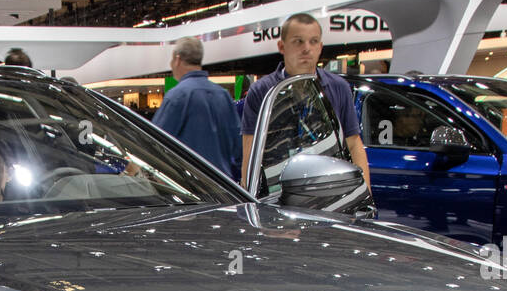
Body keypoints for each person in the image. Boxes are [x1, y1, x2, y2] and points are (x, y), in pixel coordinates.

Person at [239, 12, 369, 191]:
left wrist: (365, 194)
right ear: (282, 46)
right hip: (278, 195)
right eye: (298, 41)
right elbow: (250, 151)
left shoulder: (338, 87)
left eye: (313, 41)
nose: (307, 48)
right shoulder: (262, 91)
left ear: (321, 47)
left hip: (329, 192)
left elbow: (354, 144)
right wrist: (249, 195)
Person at [151, 37, 242, 181]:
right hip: (225, 187)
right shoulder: (223, 95)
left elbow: (153, 143)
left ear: (177, 59)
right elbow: (239, 149)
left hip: (190, 189)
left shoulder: (177, 96)